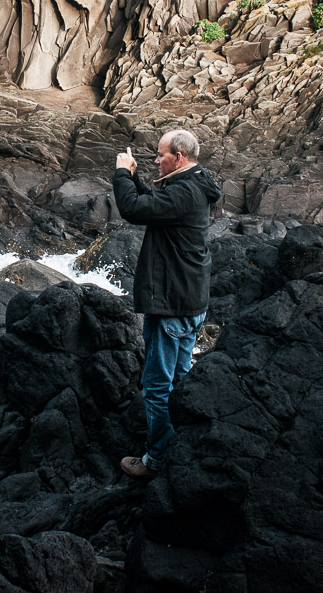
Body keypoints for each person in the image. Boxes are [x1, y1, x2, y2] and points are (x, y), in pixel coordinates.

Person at [112, 129, 221, 479]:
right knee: (179, 377)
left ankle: (157, 460)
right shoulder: (195, 183)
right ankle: (181, 445)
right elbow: (155, 207)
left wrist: (122, 175)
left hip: (172, 305)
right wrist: (135, 178)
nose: (156, 160)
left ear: (180, 157)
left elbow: (132, 208)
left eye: (160, 155)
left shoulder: (185, 191)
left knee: (157, 387)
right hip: (189, 301)